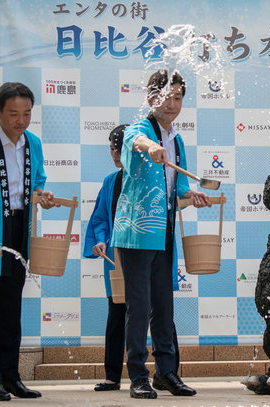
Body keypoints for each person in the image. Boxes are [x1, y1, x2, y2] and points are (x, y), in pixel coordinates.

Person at [110, 69, 211, 399]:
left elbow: (178, 192)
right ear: (151, 97)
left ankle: (166, 372)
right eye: (166, 96)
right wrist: (151, 147)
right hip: (136, 233)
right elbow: (136, 142)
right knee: (138, 307)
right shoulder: (138, 129)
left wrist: (191, 196)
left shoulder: (178, 140)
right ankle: (137, 374)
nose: (172, 104)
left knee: (164, 306)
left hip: (163, 233)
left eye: (178, 97)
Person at [0, 82, 58, 401]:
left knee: (10, 308)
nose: (20, 121)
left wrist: (43, 196)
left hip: (19, 229)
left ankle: (11, 377)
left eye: (26, 114)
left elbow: (37, 185)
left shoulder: (32, 142)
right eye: (13, 114)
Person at [83, 125, 183, 392]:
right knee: (119, 314)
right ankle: (114, 375)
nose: (116, 156)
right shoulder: (110, 182)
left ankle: (167, 371)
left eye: (119, 150)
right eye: (113, 150)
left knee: (161, 310)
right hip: (119, 253)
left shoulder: (150, 176)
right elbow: (100, 218)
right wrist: (101, 239)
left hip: (152, 246)